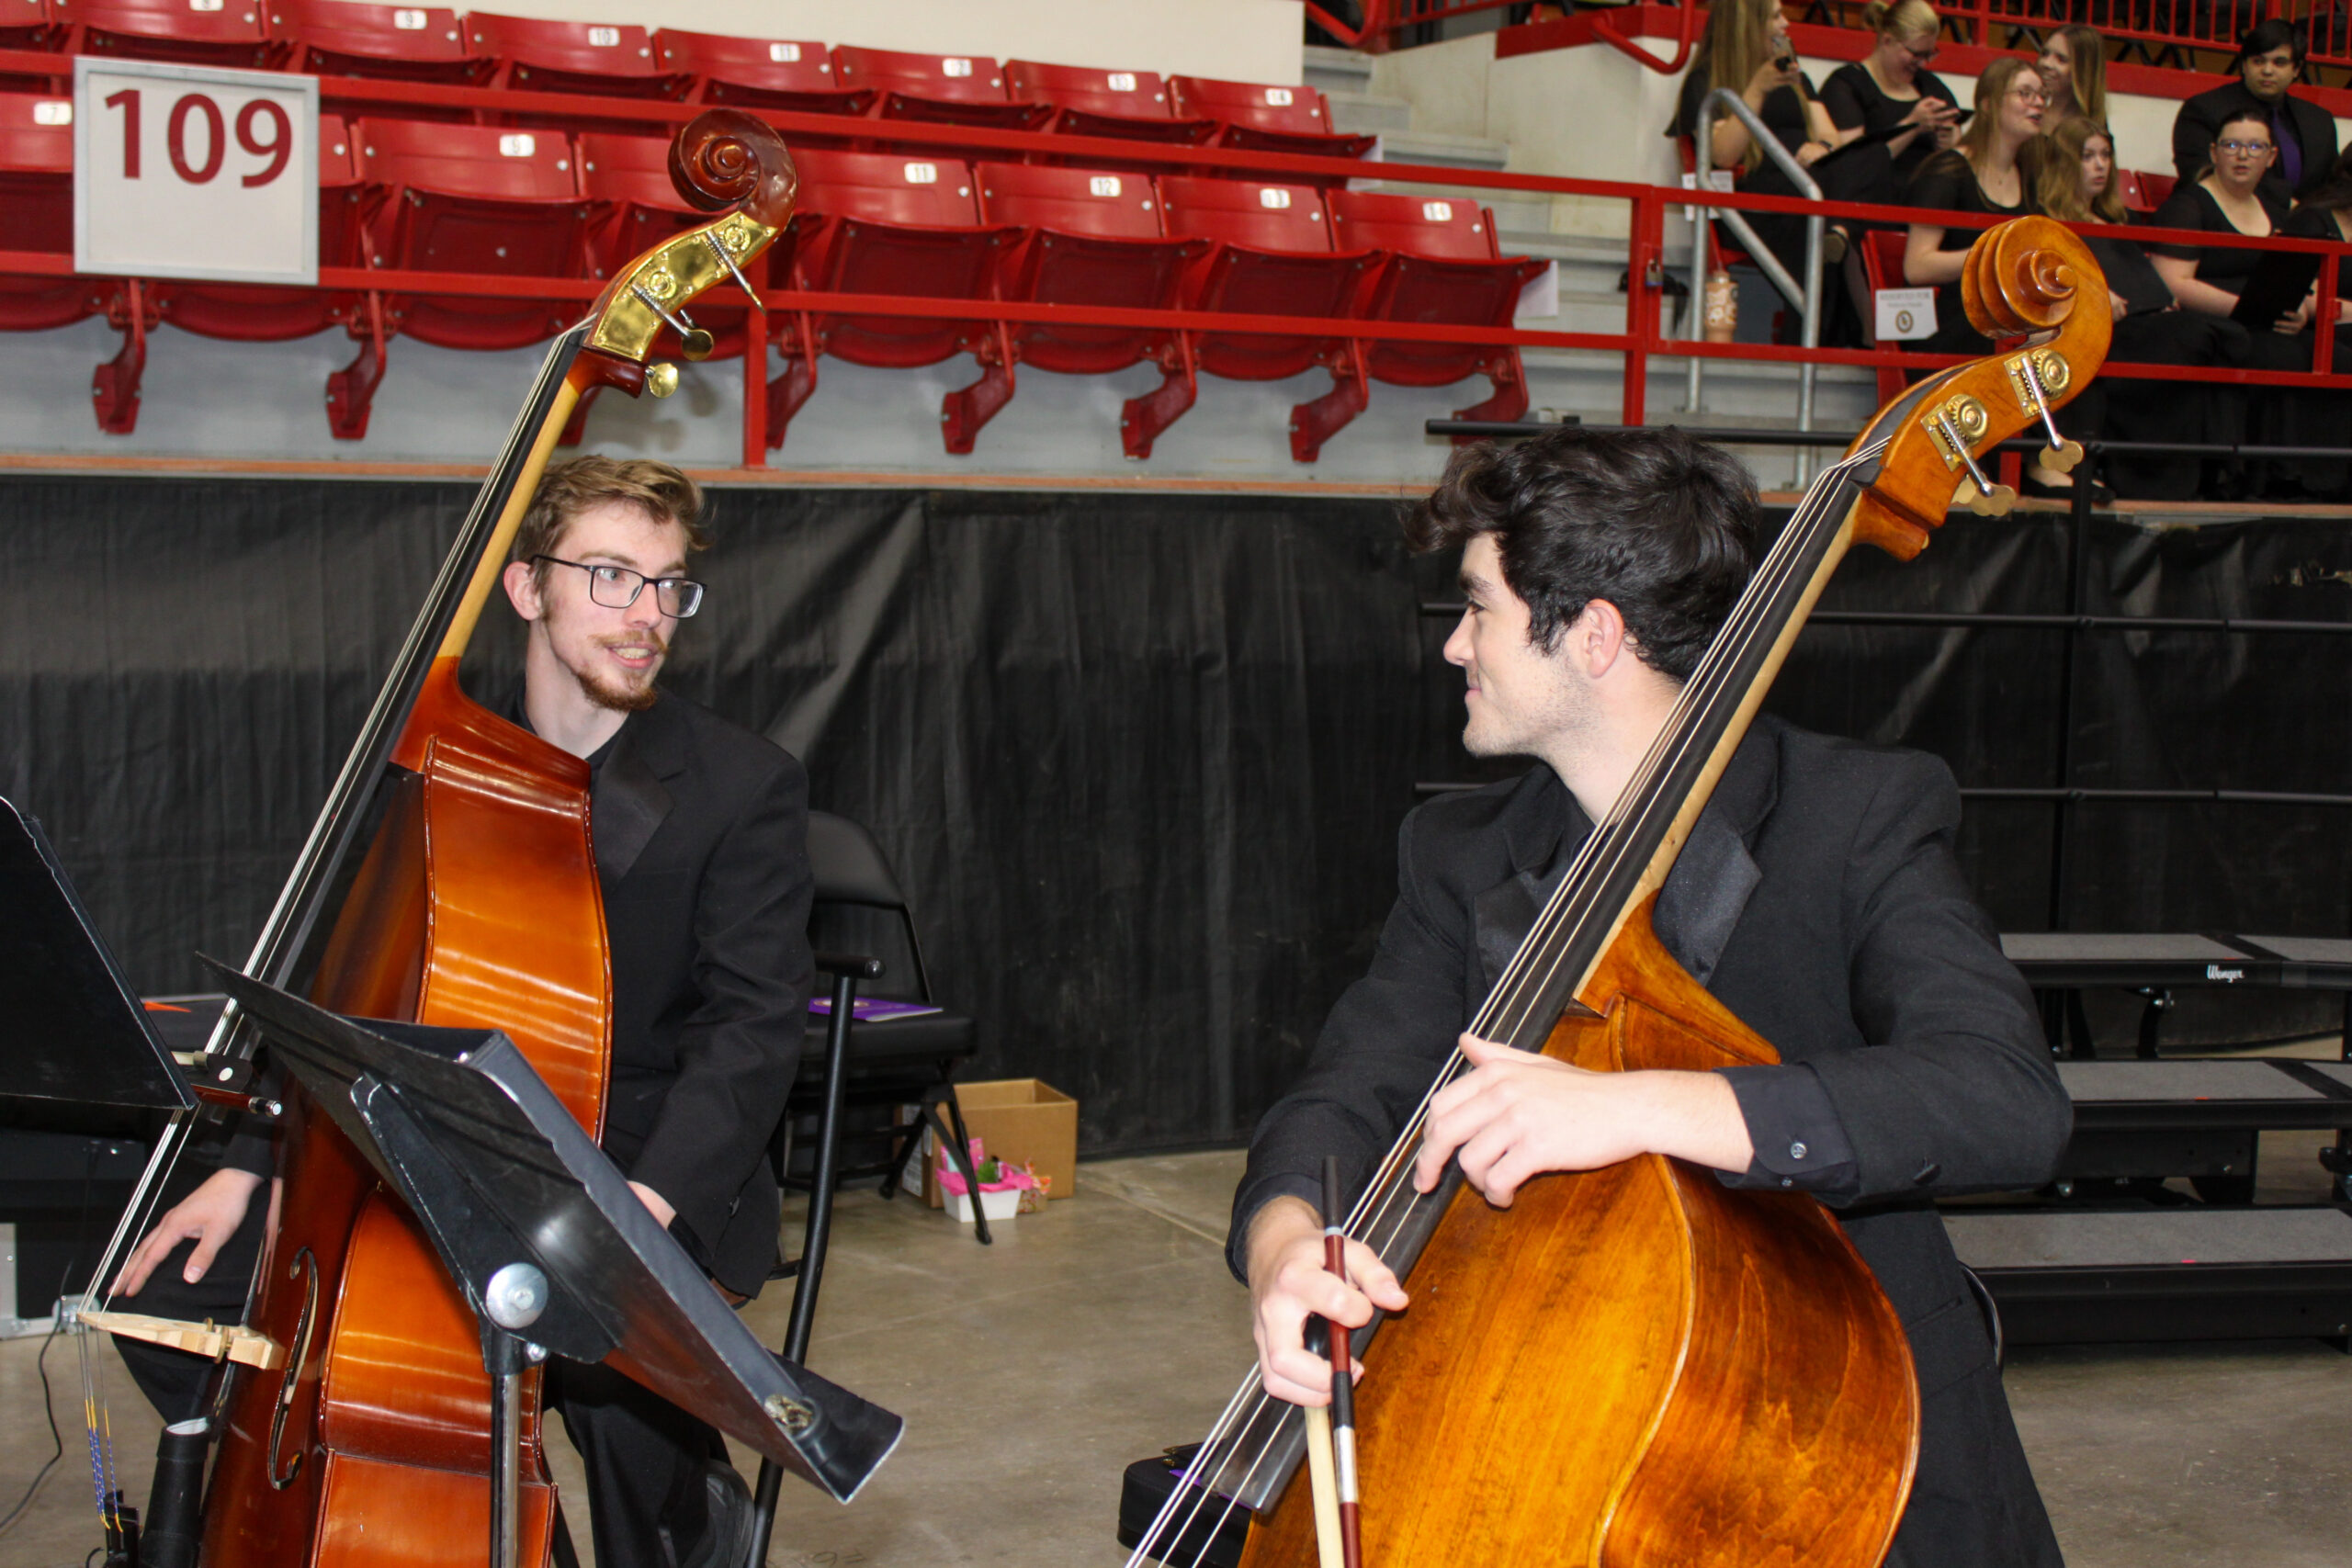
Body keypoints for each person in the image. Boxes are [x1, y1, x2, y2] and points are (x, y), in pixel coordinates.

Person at [1232, 425, 2070, 1568]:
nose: (1453, 646)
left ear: (1593, 635)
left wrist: (1635, 1105)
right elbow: (1345, 1096)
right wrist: (1288, 1247)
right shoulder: (1457, 850)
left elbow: (2002, 1098)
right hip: (1551, 1405)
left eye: (1476, 607)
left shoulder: (1857, 815)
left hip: (1853, 1434)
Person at [107, 457, 811, 1568]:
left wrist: (643, 1211)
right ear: (527, 589)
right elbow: (344, 985)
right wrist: (250, 1165)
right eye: (612, 577)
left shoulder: (738, 783)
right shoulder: (437, 761)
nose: (648, 617)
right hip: (432, 1150)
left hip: (636, 1162)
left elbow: (756, 1024)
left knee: (635, 1431)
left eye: (669, 585)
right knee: (177, 1284)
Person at [2034, 114, 2249, 500]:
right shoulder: (2050, 222)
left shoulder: (2117, 219)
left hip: (2145, 321)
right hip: (2101, 330)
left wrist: (2165, 303)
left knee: (2226, 338)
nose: (2100, 166)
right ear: (2064, 162)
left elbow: (2142, 279)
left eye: (2105, 155)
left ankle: (2216, 470)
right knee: (2200, 335)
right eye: (2087, 156)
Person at [1903, 59, 2087, 495]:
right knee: (2007, 337)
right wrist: (1991, 254)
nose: (2037, 103)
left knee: (2069, 331)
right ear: (1987, 104)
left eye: (2040, 95)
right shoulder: (1947, 168)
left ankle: (2037, 459)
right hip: (1954, 312)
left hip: (2008, 310)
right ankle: (1974, 464)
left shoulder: (2034, 176)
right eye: (2024, 94)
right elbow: (1917, 265)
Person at [1668, 0, 1899, 343]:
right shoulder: (1707, 79)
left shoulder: (1793, 75)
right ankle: (1826, 329)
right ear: (1750, 23)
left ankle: (1838, 233)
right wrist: (1758, 88)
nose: (1786, 23)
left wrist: (1820, 148)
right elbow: (1723, 155)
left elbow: (1830, 134)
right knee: (1817, 218)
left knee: (1875, 158)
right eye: (1776, 15)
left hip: (1809, 183)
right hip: (1756, 197)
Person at [2173, 18, 2337, 203]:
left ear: (2296, 69)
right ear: (2244, 65)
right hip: (2221, 221)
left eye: (2279, 63)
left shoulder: (2319, 121)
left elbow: (2332, 187)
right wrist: (2283, 204)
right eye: (2258, 61)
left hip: (2303, 227)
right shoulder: (2203, 110)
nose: (2267, 70)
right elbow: (2201, 176)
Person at [1819, 0, 1962, 190]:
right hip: (1870, 196)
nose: (1922, 64)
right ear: (1887, 41)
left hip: (1924, 195)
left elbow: (1959, 144)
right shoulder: (1847, 85)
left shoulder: (1930, 86)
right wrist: (1912, 127)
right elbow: (1852, 164)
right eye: (1915, 54)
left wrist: (1949, 143)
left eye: (1929, 54)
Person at [2035, 23, 2107, 128]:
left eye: (2062, 60)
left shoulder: (2091, 133)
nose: (2046, 64)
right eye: (2045, 54)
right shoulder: (2028, 115)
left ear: (2084, 70)